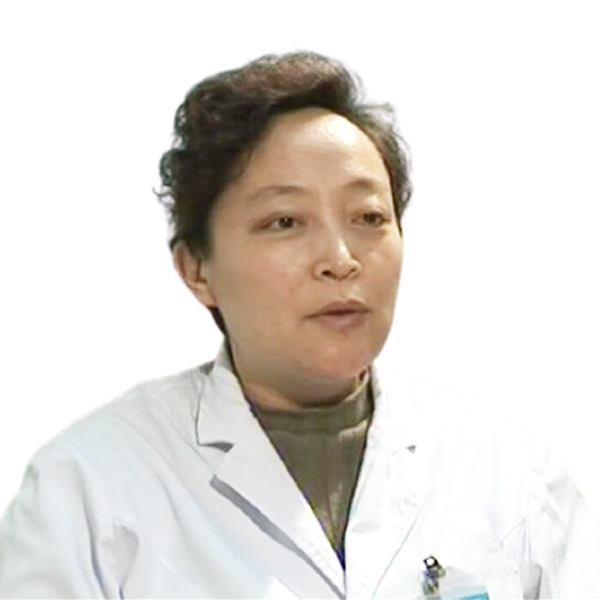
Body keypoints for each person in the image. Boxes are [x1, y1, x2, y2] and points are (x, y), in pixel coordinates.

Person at [0, 51, 599, 599]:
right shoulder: (90, 489)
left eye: (369, 216)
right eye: (284, 221)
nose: (340, 259)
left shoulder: (512, 476)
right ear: (197, 268)